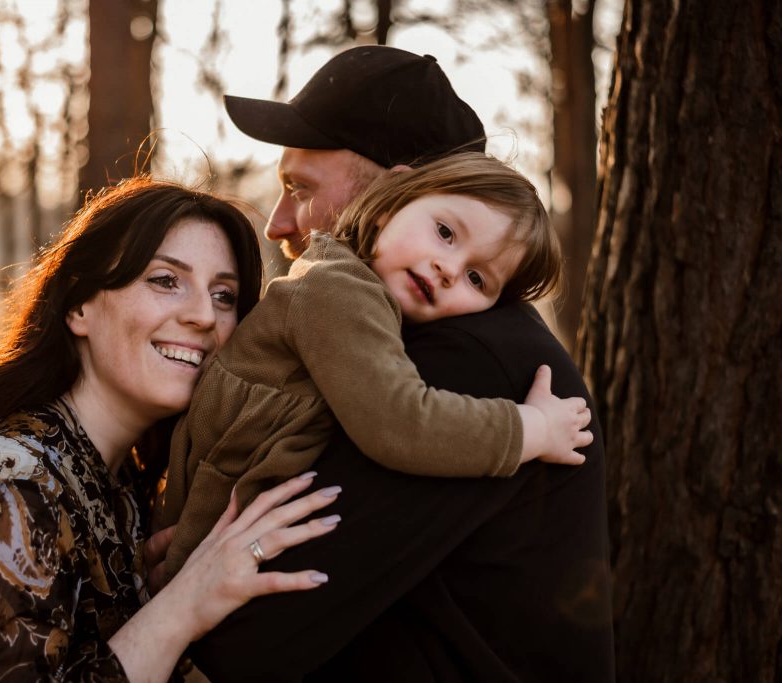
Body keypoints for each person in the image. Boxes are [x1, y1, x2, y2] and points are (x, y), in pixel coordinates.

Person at [188, 45, 615, 681]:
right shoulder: (404, 329)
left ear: (395, 187)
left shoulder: (465, 360)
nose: (278, 223)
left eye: (298, 189)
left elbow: (253, 635)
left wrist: (197, 567)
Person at [0, 179, 344, 682]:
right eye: (166, 280)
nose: (204, 316)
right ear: (78, 306)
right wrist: (186, 604)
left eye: (225, 295)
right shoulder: (6, 492)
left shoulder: (118, 487)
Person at [158, 152, 593, 580]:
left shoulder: (358, 296)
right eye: (445, 232)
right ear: (390, 205)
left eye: (477, 279)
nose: (448, 268)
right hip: (203, 538)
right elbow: (401, 422)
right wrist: (533, 428)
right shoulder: (337, 291)